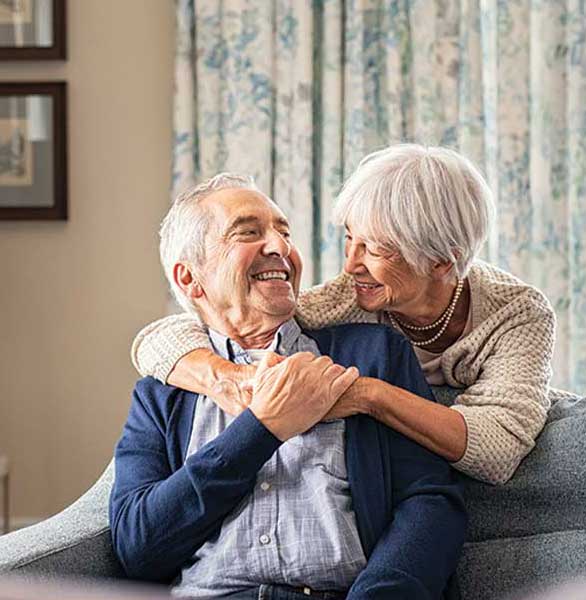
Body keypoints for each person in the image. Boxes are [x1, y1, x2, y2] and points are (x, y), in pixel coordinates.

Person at [110, 176, 467, 600]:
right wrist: (262, 428)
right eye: (248, 232)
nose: (280, 247)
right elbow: (138, 548)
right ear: (190, 279)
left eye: (284, 232)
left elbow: (430, 501)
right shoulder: (162, 393)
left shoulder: (372, 354)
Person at [131, 144, 556, 485]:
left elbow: (497, 450)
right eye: (350, 239)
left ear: (442, 262)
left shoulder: (517, 314)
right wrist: (229, 378)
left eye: (374, 249)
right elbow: (165, 336)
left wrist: (367, 396)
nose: (351, 264)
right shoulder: (349, 296)